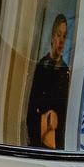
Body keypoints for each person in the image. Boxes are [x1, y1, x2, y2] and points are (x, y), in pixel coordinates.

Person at [24, 13, 71, 149]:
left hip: (58, 142)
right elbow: (32, 106)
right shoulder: (42, 66)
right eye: (58, 34)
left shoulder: (65, 70)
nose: (61, 40)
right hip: (40, 140)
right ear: (52, 37)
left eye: (64, 36)